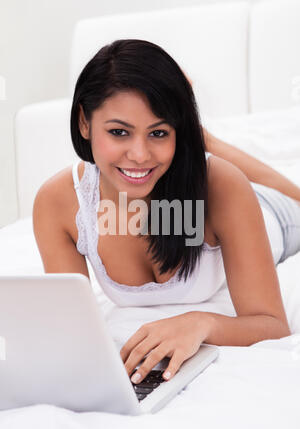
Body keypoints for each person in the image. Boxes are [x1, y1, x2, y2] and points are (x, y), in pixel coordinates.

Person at [33, 39, 300, 386]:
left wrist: (200, 322)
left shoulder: (222, 184)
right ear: (85, 122)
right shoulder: (58, 203)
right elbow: (73, 331)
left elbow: (271, 324)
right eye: (119, 132)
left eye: (158, 132)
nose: (140, 155)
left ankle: (202, 138)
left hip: (273, 216)